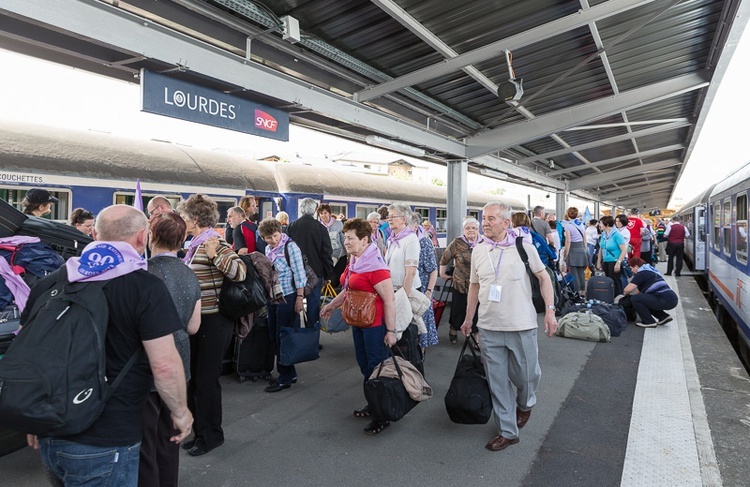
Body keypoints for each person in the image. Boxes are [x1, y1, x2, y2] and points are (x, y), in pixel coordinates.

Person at [25, 205, 192, 485]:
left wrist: (33, 416)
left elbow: (32, 354)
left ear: (93, 233)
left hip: (51, 429)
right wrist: (181, 412)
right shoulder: (145, 288)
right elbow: (164, 365)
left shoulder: (50, 283)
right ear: (142, 238)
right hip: (107, 438)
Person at [460, 201, 557, 452]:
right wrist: (469, 318)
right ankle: (508, 431)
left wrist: (550, 311)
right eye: (483, 218)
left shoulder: (523, 245)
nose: (485, 223)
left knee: (527, 375)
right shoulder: (479, 250)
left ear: (506, 223)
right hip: (489, 326)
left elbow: (543, 277)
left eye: (491, 219)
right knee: (497, 381)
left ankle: (524, 405)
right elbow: (474, 285)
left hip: (521, 324)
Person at [178, 194, 246, 457]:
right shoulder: (195, 243)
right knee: (195, 380)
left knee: (206, 381)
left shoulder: (213, 242)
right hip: (199, 320)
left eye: (184, 217)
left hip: (215, 320)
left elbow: (240, 272)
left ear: (195, 220)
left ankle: (212, 435)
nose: (182, 221)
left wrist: (216, 256)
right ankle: (200, 432)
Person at [140, 212, 201, 487]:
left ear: (152, 236)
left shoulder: (142, 272)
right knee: (170, 437)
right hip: (180, 362)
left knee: (145, 443)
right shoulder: (190, 274)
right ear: (183, 239)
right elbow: (193, 327)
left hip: (146, 364)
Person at [320, 218, 397, 435]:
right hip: (359, 321)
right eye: (345, 237)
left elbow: (389, 300)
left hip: (374, 325)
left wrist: (390, 331)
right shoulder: (356, 261)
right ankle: (373, 404)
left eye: (350, 238)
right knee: (365, 366)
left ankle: (382, 415)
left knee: (375, 368)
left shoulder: (376, 267)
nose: (346, 242)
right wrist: (332, 306)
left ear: (364, 240)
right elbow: (349, 289)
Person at [258, 218, 307, 393]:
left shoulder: (290, 247)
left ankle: (284, 377)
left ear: (281, 231)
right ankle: (289, 372)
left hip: (288, 296)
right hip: (273, 297)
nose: (273, 240)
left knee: (283, 337)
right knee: (273, 336)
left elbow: (299, 273)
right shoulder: (267, 249)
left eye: (275, 235)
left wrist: (300, 298)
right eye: (268, 238)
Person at [287, 198, 333, 328]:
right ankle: (311, 339)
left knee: (295, 303)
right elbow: (326, 253)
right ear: (314, 211)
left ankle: (294, 336)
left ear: (302, 209)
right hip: (316, 273)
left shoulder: (292, 226)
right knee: (313, 306)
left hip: (295, 272)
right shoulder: (321, 228)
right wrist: (328, 275)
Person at [439, 217, 482, 344]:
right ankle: (453, 330)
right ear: (464, 230)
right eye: (468, 228)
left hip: (479, 284)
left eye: (474, 228)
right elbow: (444, 258)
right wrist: (442, 273)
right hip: (460, 283)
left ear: (478, 229)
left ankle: (476, 338)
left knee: (477, 311)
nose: (471, 231)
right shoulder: (457, 242)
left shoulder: (483, 242)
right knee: (459, 309)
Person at [409, 213, 439, 350]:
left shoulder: (424, 242)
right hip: (408, 291)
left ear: (415, 227)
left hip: (421, 292)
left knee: (420, 328)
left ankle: (418, 358)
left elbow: (433, 269)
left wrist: (429, 291)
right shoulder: (399, 241)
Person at [622, 257, 678, 328]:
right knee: (642, 300)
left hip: (664, 299)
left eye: (631, 268)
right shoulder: (650, 271)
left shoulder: (642, 273)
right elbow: (638, 293)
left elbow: (628, 289)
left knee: (635, 299)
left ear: (636, 266)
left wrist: (623, 296)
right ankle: (663, 317)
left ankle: (649, 322)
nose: (632, 271)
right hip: (672, 299)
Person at [385, 204, 421, 298]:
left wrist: (404, 296)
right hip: (392, 289)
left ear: (404, 220)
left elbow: (411, 272)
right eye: (389, 216)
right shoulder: (392, 239)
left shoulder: (411, 239)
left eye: (393, 216)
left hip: (407, 291)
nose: (389, 219)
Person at [595, 216, 628, 297]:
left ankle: (618, 299)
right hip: (606, 261)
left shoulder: (616, 235)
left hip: (614, 261)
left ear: (606, 225)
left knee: (615, 282)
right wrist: (598, 261)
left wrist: (618, 262)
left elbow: (624, 250)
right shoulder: (603, 234)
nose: (599, 225)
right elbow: (601, 248)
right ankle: (610, 298)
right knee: (608, 281)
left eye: (601, 224)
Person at [561, 207, 588, 296]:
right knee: (581, 272)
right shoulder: (581, 224)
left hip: (573, 249)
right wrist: (585, 250)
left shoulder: (568, 226)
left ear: (568, 214)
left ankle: (576, 293)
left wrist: (566, 254)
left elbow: (568, 241)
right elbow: (585, 240)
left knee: (574, 273)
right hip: (581, 249)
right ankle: (583, 292)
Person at [318, 203, 346, 288]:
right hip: (325, 258)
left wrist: (349, 255)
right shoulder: (318, 226)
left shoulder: (338, 224)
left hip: (340, 256)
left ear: (329, 213)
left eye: (325, 213)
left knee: (336, 281)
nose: (323, 215)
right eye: (321, 213)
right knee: (326, 282)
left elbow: (343, 240)